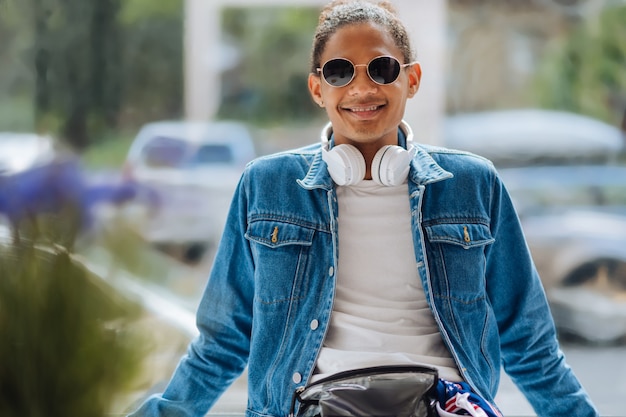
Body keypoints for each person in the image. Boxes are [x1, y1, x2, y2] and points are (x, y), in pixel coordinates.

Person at [127, 1, 600, 416]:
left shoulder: (474, 185)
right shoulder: (266, 186)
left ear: (411, 79)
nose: (361, 88)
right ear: (318, 89)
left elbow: (530, 344)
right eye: (339, 72)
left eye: (381, 69)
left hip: (445, 405)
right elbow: (223, 342)